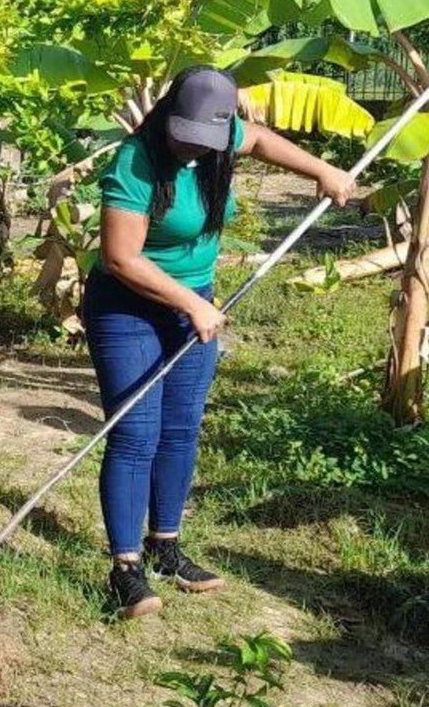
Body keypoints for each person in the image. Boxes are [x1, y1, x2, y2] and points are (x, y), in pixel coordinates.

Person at [84, 66, 354, 619]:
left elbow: (256, 139)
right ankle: (127, 571)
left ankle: (166, 546)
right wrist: (189, 303)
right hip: (129, 306)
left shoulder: (221, 136)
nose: (195, 149)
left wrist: (321, 170)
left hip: (195, 304)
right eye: (187, 137)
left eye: (207, 140)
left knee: (181, 428)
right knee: (136, 433)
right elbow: (120, 258)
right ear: (169, 117)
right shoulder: (134, 163)